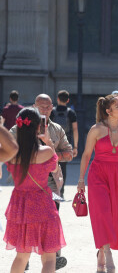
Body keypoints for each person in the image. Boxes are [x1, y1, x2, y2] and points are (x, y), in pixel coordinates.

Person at [77, 94, 118, 273]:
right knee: (102, 213)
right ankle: (108, 254)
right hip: (98, 174)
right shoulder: (96, 129)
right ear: (108, 111)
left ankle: (100, 251)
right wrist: (80, 180)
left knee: (115, 216)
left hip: (117, 174)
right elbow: (86, 155)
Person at [10, 94, 73, 271]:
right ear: (34, 107)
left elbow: (68, 154)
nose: (44, 110)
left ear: (52, 106)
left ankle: (44, 252)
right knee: (47, 254)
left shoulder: (56, 129)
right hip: (36, 192)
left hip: (37, 193)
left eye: (47, 106)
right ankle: (39, 253)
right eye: (40, 107)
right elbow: (53, 162)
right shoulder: (25, 134)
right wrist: (46, 147)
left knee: (22, 254)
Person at [50, 90, 78, 198]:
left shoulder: (52, 112)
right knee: (63, 167)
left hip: (53, 143)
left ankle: (54, 190)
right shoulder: (71, 113)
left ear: (57, 99)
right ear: (68, 100)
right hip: (66, 142)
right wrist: (75, 146)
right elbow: (75, 129)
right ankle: (61, 191)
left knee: (52, 166)